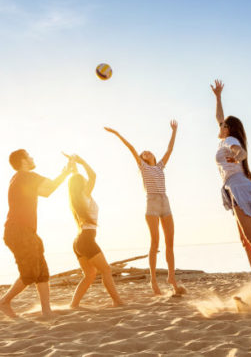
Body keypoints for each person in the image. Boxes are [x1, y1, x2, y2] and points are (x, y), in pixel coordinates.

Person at [210, 79, 251, 304]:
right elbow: (219, 117)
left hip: (239, 186)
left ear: (228, 129)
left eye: (222, 125)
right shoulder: (224, 137)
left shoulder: (229, 139)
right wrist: (218, 97)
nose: (219, 126)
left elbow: (241, 153)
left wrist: (238, 155)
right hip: (233, 188)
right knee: (245, 240)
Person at [104, 121, 186, 296]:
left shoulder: (160, 166)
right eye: (143, 153)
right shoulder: (143, 167)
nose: (145, 152)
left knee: (170, 243)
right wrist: (117, 134)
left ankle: (172, 278)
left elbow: (170, 149)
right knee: (155, 243)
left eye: (148, 151)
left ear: (153, 156)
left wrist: (174, 131)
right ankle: (153, 281)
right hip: (152, 204)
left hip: (165, 202)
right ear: (142, 159)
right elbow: (131, 148)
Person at [0, 149, 72, 318]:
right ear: (23, 160)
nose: (32, 158)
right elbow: (51, 187)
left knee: (42, 272)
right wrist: (67, 171)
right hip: (19, 231)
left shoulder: (19, 178)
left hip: (26, 231)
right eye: (29, 156)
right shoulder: (26, 176)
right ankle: (4, 302)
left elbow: (45, 192)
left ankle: (46, 311)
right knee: (30, 273)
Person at [66, 154, 124, 308]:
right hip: (86, 239)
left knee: (90, 274)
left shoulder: (76, 197)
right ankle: (117, 301)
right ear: (81, 185)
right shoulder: (84, 195)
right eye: (83, 181)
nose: (86, 181)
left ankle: (74, 304)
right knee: (106, 269)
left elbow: (76, 179)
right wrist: (83, 161)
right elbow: (93, 175)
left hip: (78, 241)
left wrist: (73, 165)